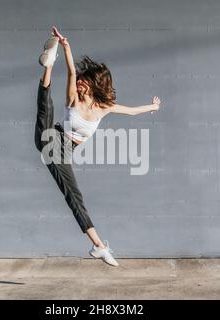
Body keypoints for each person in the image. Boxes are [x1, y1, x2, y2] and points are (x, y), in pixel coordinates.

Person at [34, 26, 162, 266]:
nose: (78, 84)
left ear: (92, 85)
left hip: (62, 153)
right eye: (78, 82)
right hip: (51, 138)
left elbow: (132, 112)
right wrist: (65, 46)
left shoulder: (105, 107)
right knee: (45, 110)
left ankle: (97, 245)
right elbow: (72, 71)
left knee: (74, 196)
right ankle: (49, 64)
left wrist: (152, 107)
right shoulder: (72, 98)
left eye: (83, 82)